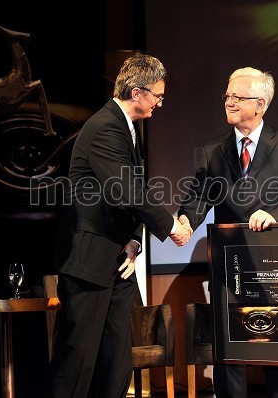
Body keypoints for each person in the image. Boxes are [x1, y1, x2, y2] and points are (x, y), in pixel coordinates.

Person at [47, 53, 192, 398]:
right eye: (157, 95)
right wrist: (171, 225)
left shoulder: (126, 127)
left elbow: (125, 196)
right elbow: (125, 191)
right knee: (77, 362)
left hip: (117, 263)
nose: (159, 103)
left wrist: (133, 241)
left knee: (115, 361)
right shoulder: (105, 126)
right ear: (138, 91)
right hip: (89, 263)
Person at [176, 67, 278, 398]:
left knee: (276, 354)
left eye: (237, 97)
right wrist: (185, 220)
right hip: (232, 268)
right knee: (231, 356)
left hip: (275, 266)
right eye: (227, 95)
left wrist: (273, 213)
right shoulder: (214, 150)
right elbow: (199, 196)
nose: (228, 101)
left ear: (260, 104)